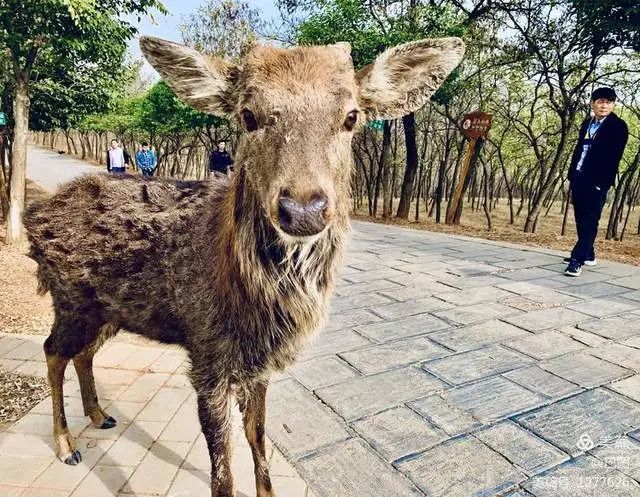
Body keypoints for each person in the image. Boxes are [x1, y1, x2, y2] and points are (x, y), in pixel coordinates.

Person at [564, 87, 628, 277]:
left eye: (608, 102)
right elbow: (579, 149)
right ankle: (589, 254)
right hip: (579, 176)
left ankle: (578, 258)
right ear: (592, 103)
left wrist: (602, 181)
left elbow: (614, 157)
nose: (604, 105)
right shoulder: (587, 124)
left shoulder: (618, 126)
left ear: (613, 104)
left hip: (597, 180)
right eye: (600, 101)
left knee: (591, 219)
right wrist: (572, 174)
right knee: (581, 218)